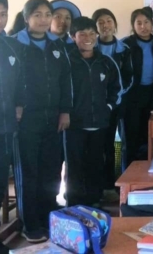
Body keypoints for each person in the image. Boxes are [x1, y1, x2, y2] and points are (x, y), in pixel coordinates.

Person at [12, 0, 71, 244]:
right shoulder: (15, 44)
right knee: (29, 171)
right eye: (37, 15)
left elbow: (65, 81)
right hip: (26, 118)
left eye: (48, 14)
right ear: (26, 18)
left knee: (51, 171)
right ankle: (31, 223)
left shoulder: (57, 46)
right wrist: (16, 105)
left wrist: (65, 111)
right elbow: (9, 79)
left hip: (53, 117)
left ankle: (50, 217)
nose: (44, 19)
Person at [65, 17, 122, 207]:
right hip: (74, 124)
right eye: (82, 34)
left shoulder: (106, 62)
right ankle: (74, 203)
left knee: (96, 163)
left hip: (100, 123)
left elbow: (117, 89)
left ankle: (94, 201)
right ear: (73, 37)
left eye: (92, 33)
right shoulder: (67, 61)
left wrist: (108, 108)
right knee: (74, 166)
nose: (88, 38)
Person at [0, 0, 24, 254]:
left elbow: (21, 83)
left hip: (3, 129)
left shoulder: (12, 46)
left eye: (3, 14)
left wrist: (20, 105)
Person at [91, 8, 133, 199]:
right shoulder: (90, 48)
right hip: (95, 105)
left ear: (115, 24)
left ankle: (115, 182)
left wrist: (116, 97)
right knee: (100, 145)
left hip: (118, 103)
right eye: (101, 22)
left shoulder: (124, 49)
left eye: (109, 21)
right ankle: (101, 184)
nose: (105, 25)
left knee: (117, 144)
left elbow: (129, 77)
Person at [122, 7, 153, 165]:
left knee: (151, 136)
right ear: (133, 25)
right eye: (139, 23)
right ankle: (128, 177)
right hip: (132, 95)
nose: (143, 26)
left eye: (147, 22)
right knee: (131, 138)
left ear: (152, 24)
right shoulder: (126, 44)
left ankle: (148, 175)